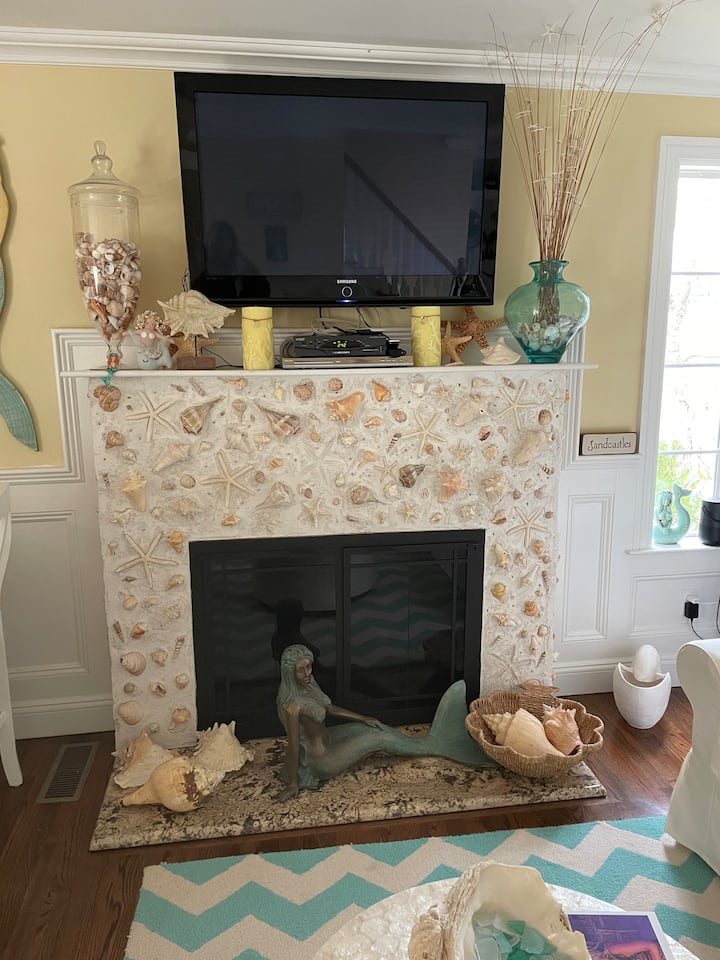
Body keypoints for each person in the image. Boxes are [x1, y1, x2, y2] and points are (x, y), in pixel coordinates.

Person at [275, 643, 493, 800]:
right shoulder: (293, 706)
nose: (307, 673)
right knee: (377, 738)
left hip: (329, 739)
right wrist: (293, 783)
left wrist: (363, 717)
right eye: (301, 670)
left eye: (309, 667)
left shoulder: (309, 686)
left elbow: (330, 708)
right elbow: (293, 747)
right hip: (321, 759)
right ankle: (436, 744)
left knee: (375, 727)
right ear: (289, 673)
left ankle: (431, 741)